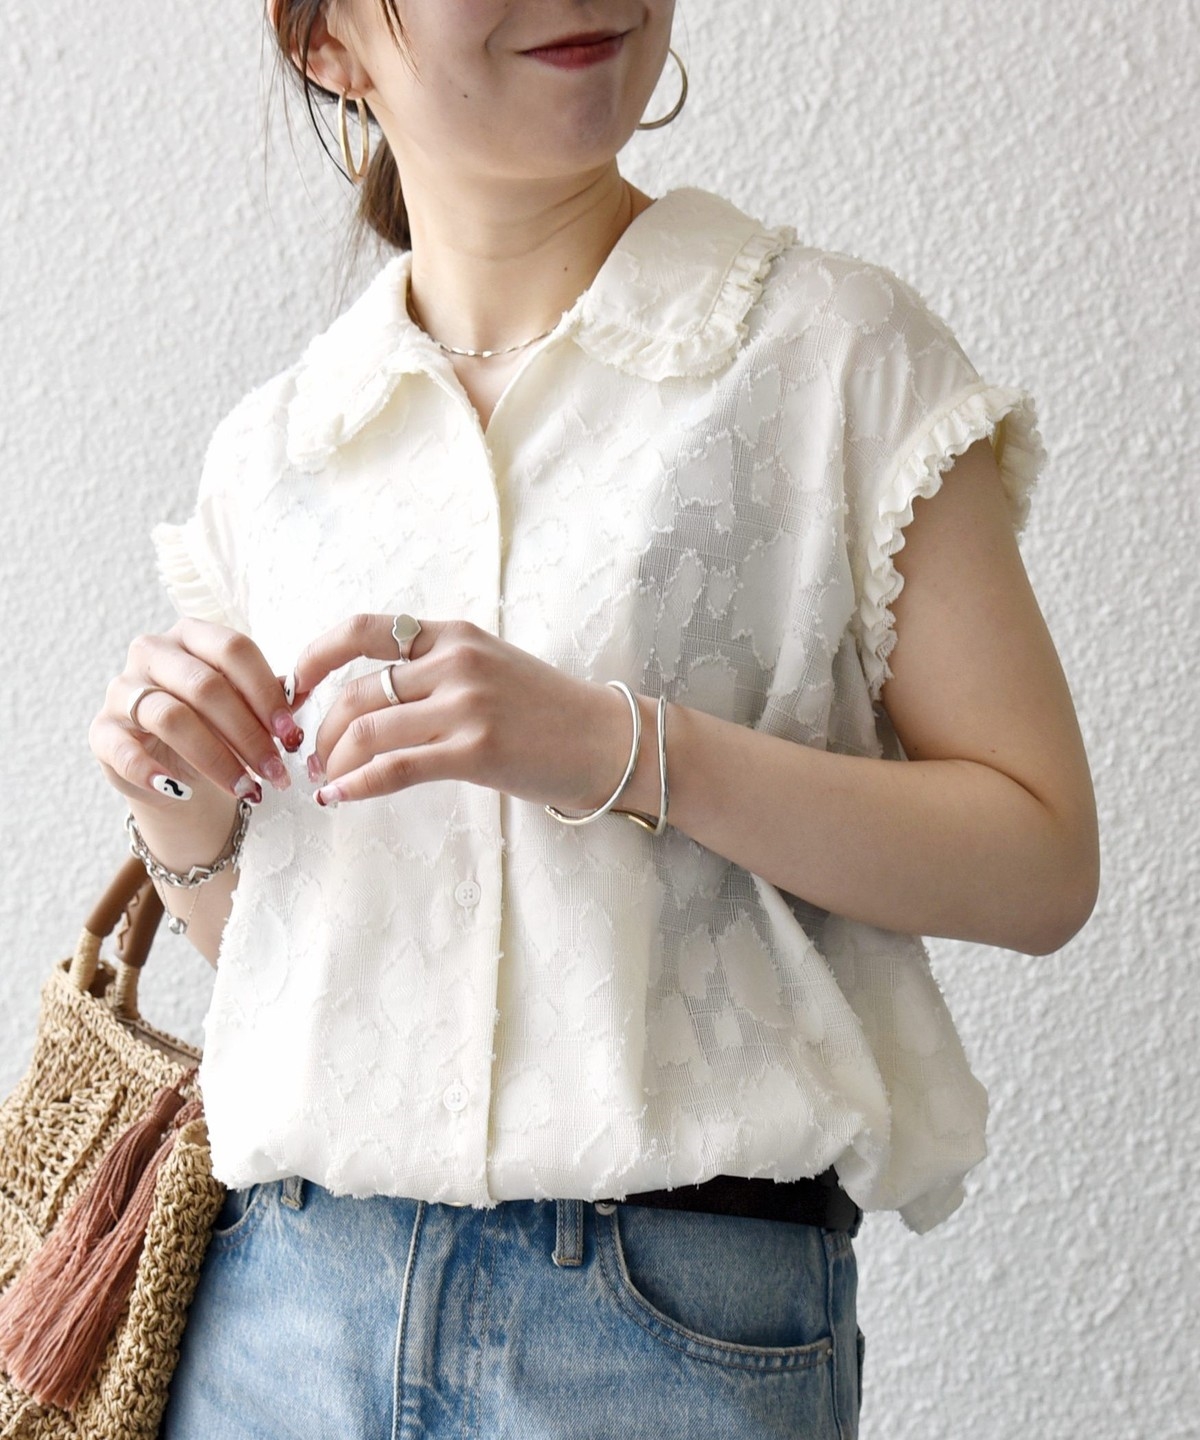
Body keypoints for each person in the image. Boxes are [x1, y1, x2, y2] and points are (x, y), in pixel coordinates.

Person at [88, 2, 1099, 1436]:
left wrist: (613, 748)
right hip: (281, 1316)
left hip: (664, 1335)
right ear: (328, 44)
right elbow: (281, 955)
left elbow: (1040, 861)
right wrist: (179, 806)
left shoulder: (832, 355)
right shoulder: (276, 454)